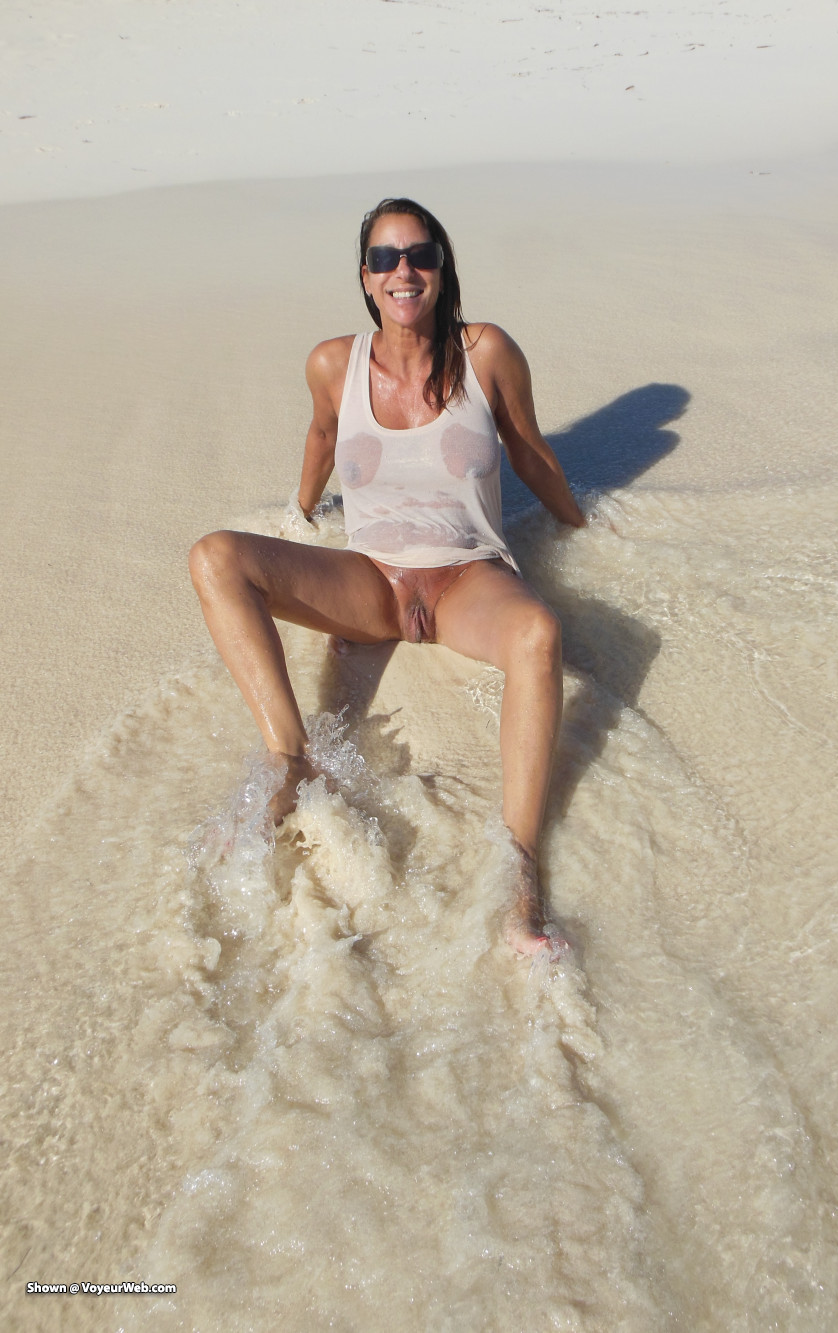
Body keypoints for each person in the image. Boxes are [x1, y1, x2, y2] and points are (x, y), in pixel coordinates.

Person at [189, 197, 586, 957]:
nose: (404, 270)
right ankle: (289, 759)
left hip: (466, 579)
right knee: (215, 557)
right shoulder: (333, 363)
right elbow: (321, 434)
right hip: (370, 582)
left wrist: (581, 523)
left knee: (538, 632)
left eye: (419, 254)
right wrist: (301, 513)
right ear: (367, 278)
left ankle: (520, 873)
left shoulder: (486, 352)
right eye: (385, 258)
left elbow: (530, 450)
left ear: (442, 266)